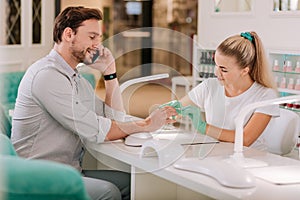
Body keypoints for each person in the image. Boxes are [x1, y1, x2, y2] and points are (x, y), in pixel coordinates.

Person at [11, 6, 176, 200]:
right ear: (68, 34)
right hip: (38, 178)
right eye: (92, 37)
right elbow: (97, 129)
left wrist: (110, 73)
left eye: (98, 38)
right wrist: (147, 124)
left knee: (133, 183)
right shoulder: (47, 76)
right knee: (109, 192)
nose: (98, 45)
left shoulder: (76, 79)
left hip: (69, 172)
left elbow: (113, 118)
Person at [162, 31, 279, 149]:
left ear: (245, 70)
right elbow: (178, 108)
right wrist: (167, 112)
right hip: (216, 152)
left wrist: (202, 126)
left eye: (223, 69)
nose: (216, 73)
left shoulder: (265, 95)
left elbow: (245, 139)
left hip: (249, 158)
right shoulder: (210, 86)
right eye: (216, 65)